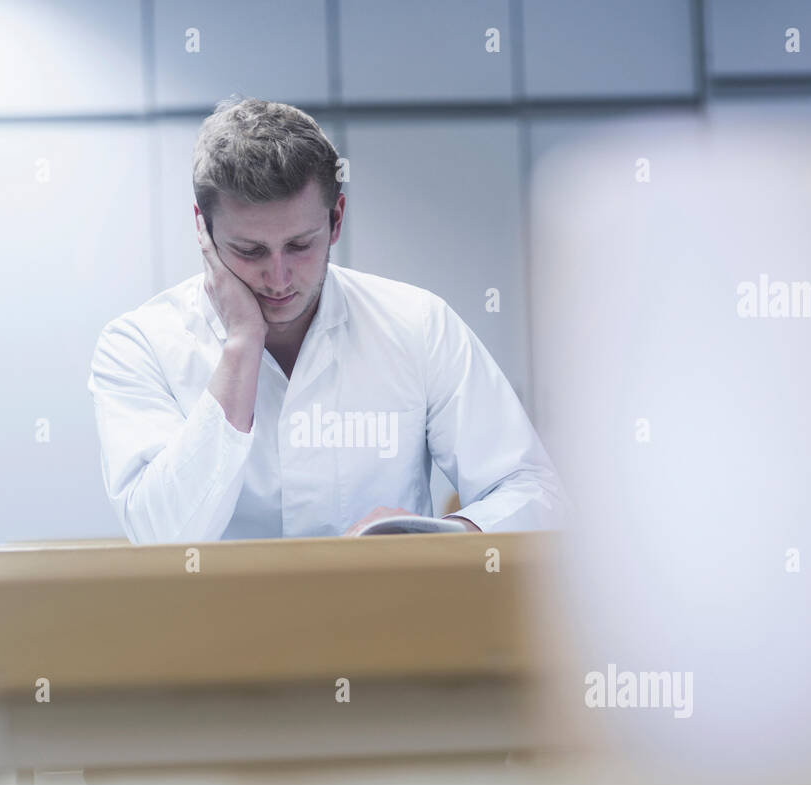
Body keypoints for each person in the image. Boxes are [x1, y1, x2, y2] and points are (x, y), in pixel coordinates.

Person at [88, 97, 566, 543]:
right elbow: (162, 536)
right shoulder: (138, 345)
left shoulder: (418, 324)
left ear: (337, 219)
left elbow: (533, 492)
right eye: (249, 250)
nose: (278, 278)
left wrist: (438, 535)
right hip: (217, 631)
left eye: (300, 245)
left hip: (387, 625)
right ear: (204, 229)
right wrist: (241, 345)